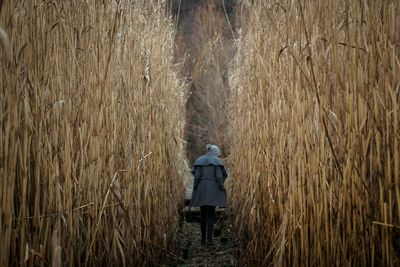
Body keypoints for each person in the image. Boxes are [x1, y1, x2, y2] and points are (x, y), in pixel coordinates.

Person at [190, 144, 228, 246]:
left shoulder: (199, 160)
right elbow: (219, 177)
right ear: (216, 153)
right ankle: (209, 241)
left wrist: (195, 189)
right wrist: (221, 188)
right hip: (213, 190)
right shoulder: (217, 162)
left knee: (203, 215)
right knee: (211, 215)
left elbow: (196, 177)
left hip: (202, 190)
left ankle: (203, 240)